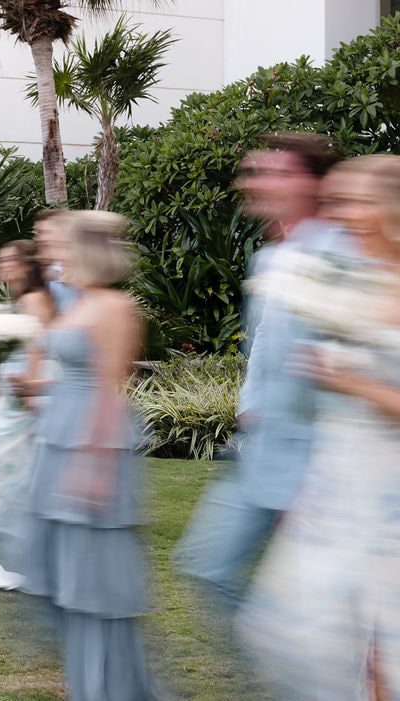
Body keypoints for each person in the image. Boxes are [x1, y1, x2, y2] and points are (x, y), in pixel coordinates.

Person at [236, 155, 400, 700]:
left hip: (388, 488)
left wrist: (352, 383)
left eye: (356, 202)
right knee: (322, 636)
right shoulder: (345, 279)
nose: (341, 215)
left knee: (381, 640)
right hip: (337, 481)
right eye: (337, 202)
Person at [176, 132, 342, 607]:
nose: (262, 182)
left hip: (316, 460)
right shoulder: (273, 255)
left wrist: (316, 470)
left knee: (317, 601)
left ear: (314, 185)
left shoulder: (338, 253)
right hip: (259, 450)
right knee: (207, 568)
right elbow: (266, 339)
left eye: (280, 173)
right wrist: (250, 406)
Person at [16, 210, 163, 701]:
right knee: (52, 573)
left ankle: (107, 687)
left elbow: (111, 388)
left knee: (93, 587)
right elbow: (65, 375)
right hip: (58, 439)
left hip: (92, 449)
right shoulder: (76, 302)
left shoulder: (115, 307)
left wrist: (94, 466)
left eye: (63, 245)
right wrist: (32, 385)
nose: (53, 253)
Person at [0, 240, 54, 537]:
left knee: (1, 445)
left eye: (8, 261)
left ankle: (8, 516)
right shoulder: (21, 298)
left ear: (25, 266)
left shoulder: (34, 299)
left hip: (29, 380)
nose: (1, 266)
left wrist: (28, 384)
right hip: (16, 381)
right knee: (1, 446)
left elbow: (39, 345)